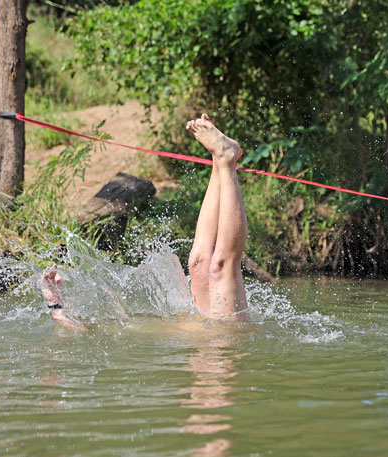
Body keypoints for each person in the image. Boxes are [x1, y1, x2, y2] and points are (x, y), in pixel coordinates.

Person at [40, 113, 250, 330]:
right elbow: (93, 332)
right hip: (219, 335)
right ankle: (221, 160)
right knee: (199, 264)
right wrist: (56, 306)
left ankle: (224, 159)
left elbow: (90, 332)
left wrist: (57, 307)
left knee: (219, 266)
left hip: (219, 338)